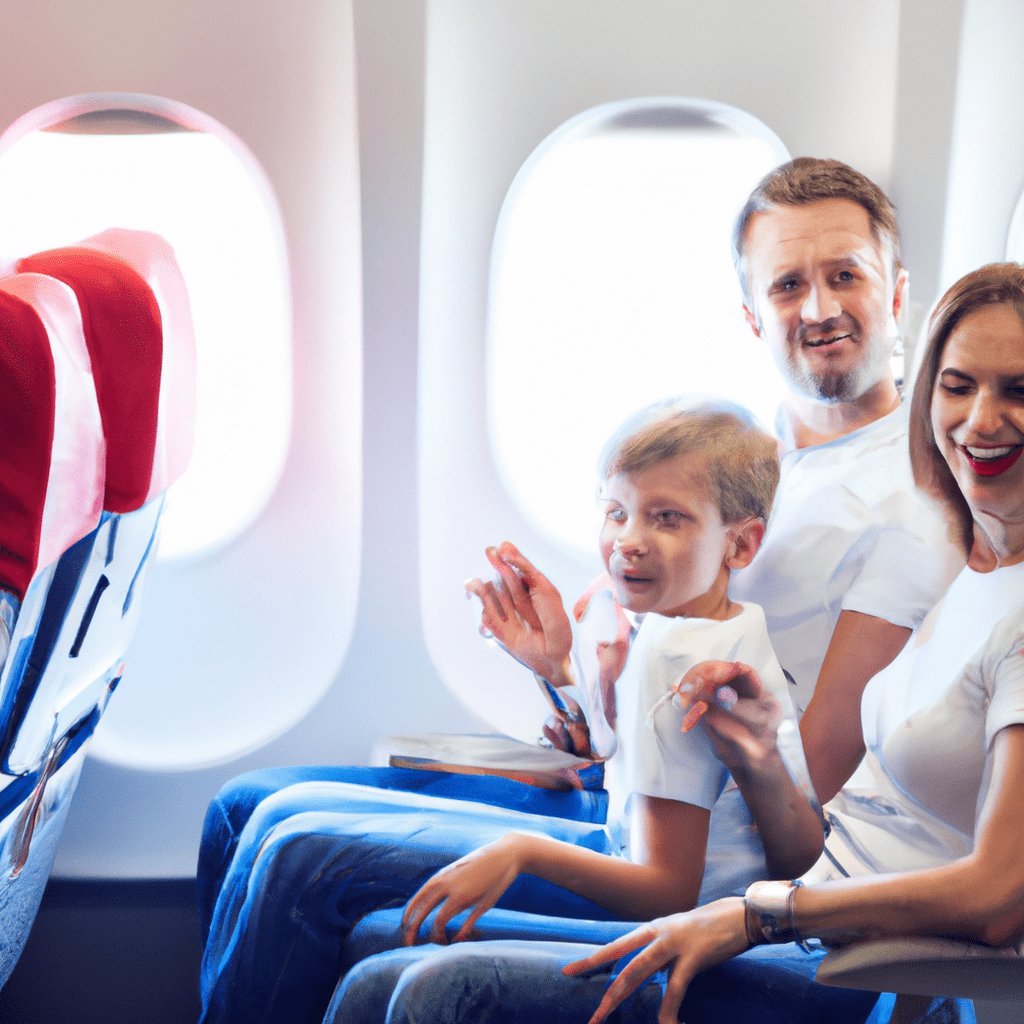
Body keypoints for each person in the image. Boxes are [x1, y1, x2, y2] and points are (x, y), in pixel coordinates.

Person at [197, 402, 824, 1024]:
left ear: (740, 543)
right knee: (290, 834)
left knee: (302, 853)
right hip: (650, 867)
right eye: (616, 512)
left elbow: (667, 890)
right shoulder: (720, 627)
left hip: (679, 920)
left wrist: (522, 850)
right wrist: (561, 675)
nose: (629, 541)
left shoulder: (678, 657)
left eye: (667, 519)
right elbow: (655, 778)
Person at [523, 261, 1024, 1024]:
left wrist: (760, 915)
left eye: (1018, 388)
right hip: (802, 914)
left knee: (399, 966)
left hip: (848, 970)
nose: (982, 419)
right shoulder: (977, 567)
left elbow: (998, 897)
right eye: (958, 386)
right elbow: (819, 849)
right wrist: (755, 759)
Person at [561, 159, 963, 807]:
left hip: (720, 838)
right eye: (786, 286)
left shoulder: (916, 497)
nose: (819, 309)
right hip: (641, 795)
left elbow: (811, 787)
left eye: (845, 276)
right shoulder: (730, 451)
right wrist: (564, 674)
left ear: (894, 297)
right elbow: (636, 714)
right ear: (753, 317)